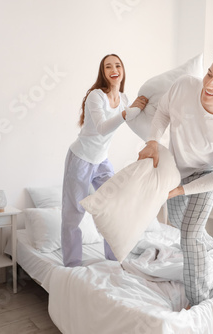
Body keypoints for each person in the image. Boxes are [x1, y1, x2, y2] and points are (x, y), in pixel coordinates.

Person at [138, 47, 213, 307]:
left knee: (189, 236)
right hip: (176, 169)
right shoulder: (184, 86)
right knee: (182, 224)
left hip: (206, 175)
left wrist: (180, 191)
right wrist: (153, 142)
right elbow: (163, 112)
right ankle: (208, 242)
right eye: (209, 74)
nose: (209, 84)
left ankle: (198, 301)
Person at [62, 54, 148, 267]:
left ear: (123, 70)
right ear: (103, 72)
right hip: (80, 158)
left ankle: (113, 257)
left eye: (117, 65)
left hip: (101, 161)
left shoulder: (125, 100)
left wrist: (153, 142)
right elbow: (102, 128)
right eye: (108, 66)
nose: (113, 69)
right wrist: (129, 112)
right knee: (74, 214)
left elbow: (136, 122)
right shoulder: (96, 96)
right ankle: (72, 264)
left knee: (113, 205)